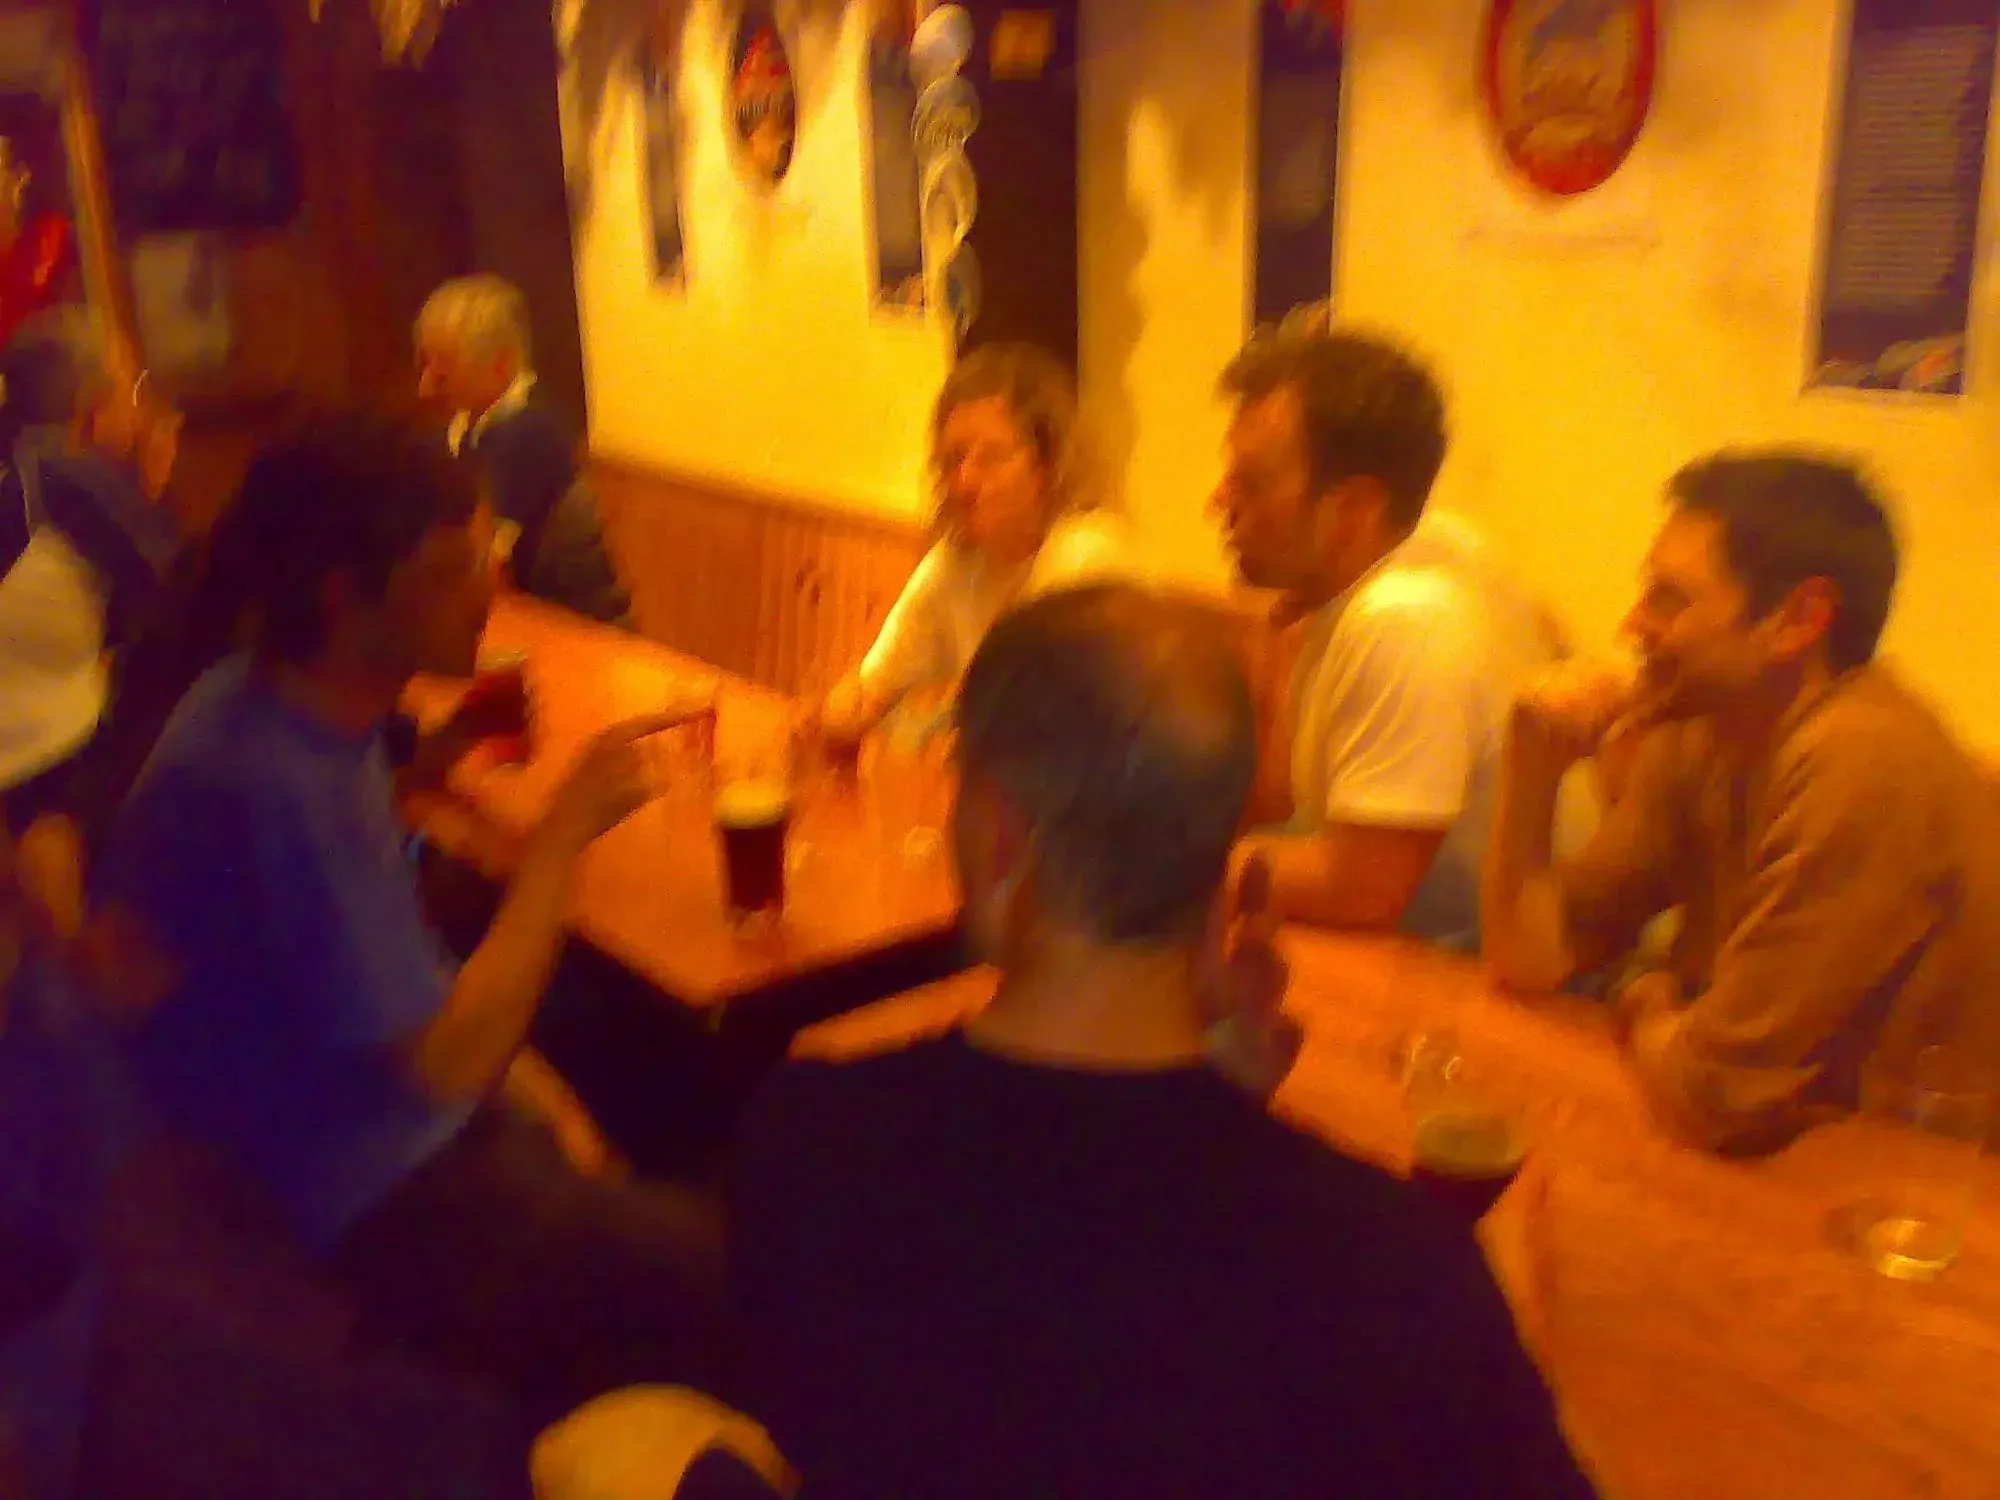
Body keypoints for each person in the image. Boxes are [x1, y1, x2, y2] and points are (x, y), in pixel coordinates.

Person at [733, 585, 1597, 1500]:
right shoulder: (1399, 1274)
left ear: (994, 837)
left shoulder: (805, 1141)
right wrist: (1517, 1339)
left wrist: (1216, 1089)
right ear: (1225, 853)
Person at [90, 411, 726, 1432]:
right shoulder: (277, 780)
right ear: (346, 597)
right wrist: (560, 838)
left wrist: (433, 759)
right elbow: (448, 1062)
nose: (489, 587)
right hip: (350, 1202)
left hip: (335, 1131)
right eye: (452, 568)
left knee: (644, 1071)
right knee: (724, 1262)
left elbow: (368, 950)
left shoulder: (274, 707)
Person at [1483, 450, 2000, 1154]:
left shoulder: (1863, 759)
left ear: (1799, 619)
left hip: (1909, 1177)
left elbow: (1712, 1092)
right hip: (1771, 1154)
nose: (1631, 625)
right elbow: (1530, 957)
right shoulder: (1702, 727)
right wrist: (1531, 772)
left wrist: (1642, 996)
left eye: (1669, 599)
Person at [1210, 315, 1562, 948]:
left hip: (1478, 980)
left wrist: (1169, 864)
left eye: (1250, 483)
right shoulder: (1408, 558)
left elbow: (1359, 887)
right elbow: (1281, 802)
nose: (1218, 502)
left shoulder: (1404, 618)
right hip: (1420, 959)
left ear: (1354, 509)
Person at [812, 342, 1132, 747]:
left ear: (1047, 466)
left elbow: (1052, 739)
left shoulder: (1087, 555)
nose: (964, 482)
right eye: (954, 459)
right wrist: (845, 713)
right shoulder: (956, 561)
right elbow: (870, 687)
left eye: (992, 458)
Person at [0, 312, 186, 862]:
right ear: (92, 406)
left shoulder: (23, 468)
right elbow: (186, 606)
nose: (143, 410)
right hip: (47, 774)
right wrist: (149, 501)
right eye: (134, 389)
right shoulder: (67, 477)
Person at [415, 274, 631, 626]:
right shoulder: (466, 425)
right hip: (534, 620)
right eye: (426, 364)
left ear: (500, 366)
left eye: (444, 368)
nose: (426, 385)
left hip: (584, 628)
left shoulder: (526, 432)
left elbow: (487, 563)